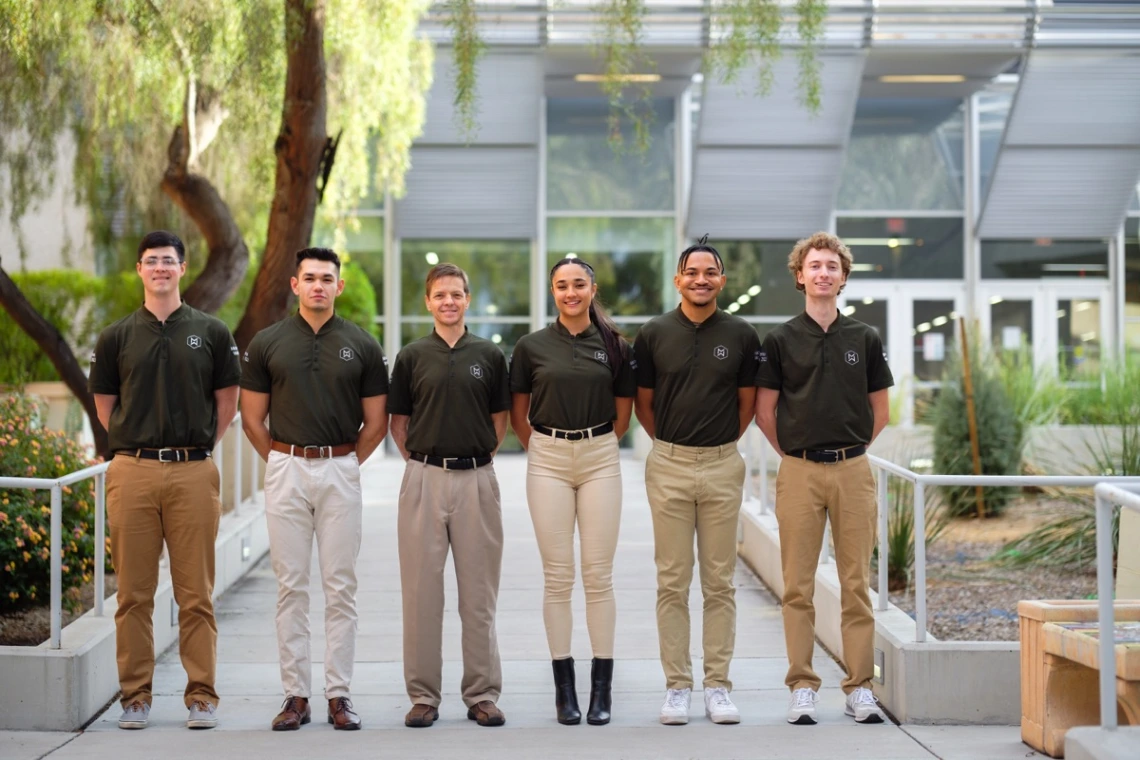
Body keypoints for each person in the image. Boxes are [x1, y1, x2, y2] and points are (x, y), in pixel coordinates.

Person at [90, 230, 241, 730]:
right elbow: (106, 407)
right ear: (140, 269)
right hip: (132, 470)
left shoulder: (211, 332)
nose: (160, 267)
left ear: (182, 268)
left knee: (195, 593)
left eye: (168, 260)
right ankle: (135, 698)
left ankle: (202, 697)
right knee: (133, 594)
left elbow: (227, 403)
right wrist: (137, 448)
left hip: (193, 470)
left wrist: (198, 450)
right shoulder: (115, 337)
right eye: (151, 260)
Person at [240, 248, 389, 732]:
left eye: (327, 278)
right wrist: (281, 459)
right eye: (310, 278)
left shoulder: (362, 344)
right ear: (295, 284)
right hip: (285, 466)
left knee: (341, 586)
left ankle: (339, 694)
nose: (318, 285)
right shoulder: (268, 342)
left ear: (338, 286)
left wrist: (344, 463)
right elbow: (251, 417)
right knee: (291, 587)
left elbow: (376, 422)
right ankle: (296, 695)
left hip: (340, 467)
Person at [754, 231, 892, 726]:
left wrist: (849, 453)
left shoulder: (864, 338)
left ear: (843, 276)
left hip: (853, 470)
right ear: (800, 275)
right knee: (797, 586)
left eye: (832, 266)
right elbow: (764, 413)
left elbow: (881, 411)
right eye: (814, 265)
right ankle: (801, 686)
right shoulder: (779, 340)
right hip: (799, 471)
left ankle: (860, 688)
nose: (823, 273)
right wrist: (796, 456)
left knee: (856, 584)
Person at [633, 238, 761, 726]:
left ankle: (718, 686)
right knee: (672, 580)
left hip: (723, 464)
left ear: (722, 280)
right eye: (692, 272)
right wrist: (670, 446)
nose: (701, 280)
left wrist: (719, 446)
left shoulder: (742, 334)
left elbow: (747, 403)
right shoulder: (653, 333)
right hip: (668, 464)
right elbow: (644, 403)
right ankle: (677, 686)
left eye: (710, 273)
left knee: (719, 582)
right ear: (678, 279)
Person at [509, 258, 635, 726]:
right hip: (548, 459)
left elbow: (623, 415)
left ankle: (602, 689)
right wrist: (547, 448)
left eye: (579, 284)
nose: (571, 293)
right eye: (562, 285)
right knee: (558, 576)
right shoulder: (531, 347)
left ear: (592, 289)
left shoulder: (616, 346)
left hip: (600, 456)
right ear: (553, 291)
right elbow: (518, 412)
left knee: (599, 575)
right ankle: (565, 691)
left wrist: (593, 444)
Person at [388, 263, 511, 729]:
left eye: (456, 294)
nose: (449, 301)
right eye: (440, 295)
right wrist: (425, 464)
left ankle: (482, 694)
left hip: (477, 479)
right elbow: (399, 424)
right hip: (424, 478)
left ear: (467, 299)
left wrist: (474, 460)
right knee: (421, 594)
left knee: (479, 595)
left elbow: (499, 421)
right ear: (428, 302)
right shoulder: (412, 356)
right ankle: (423, 696)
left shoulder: (490, 355)